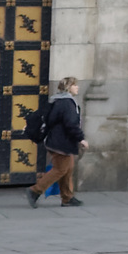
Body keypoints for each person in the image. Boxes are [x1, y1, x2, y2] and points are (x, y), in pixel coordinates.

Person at [27, 75, 88, 208]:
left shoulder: (56, 101)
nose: (77, 87)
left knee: (68, 168)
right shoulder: (67, 103)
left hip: (55, 140)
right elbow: (71, 124)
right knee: (60, 169)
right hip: (61, 142)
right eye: (74, 85)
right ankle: (35, 191)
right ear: (68, 87)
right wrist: (81, 138)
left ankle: (67, 198)